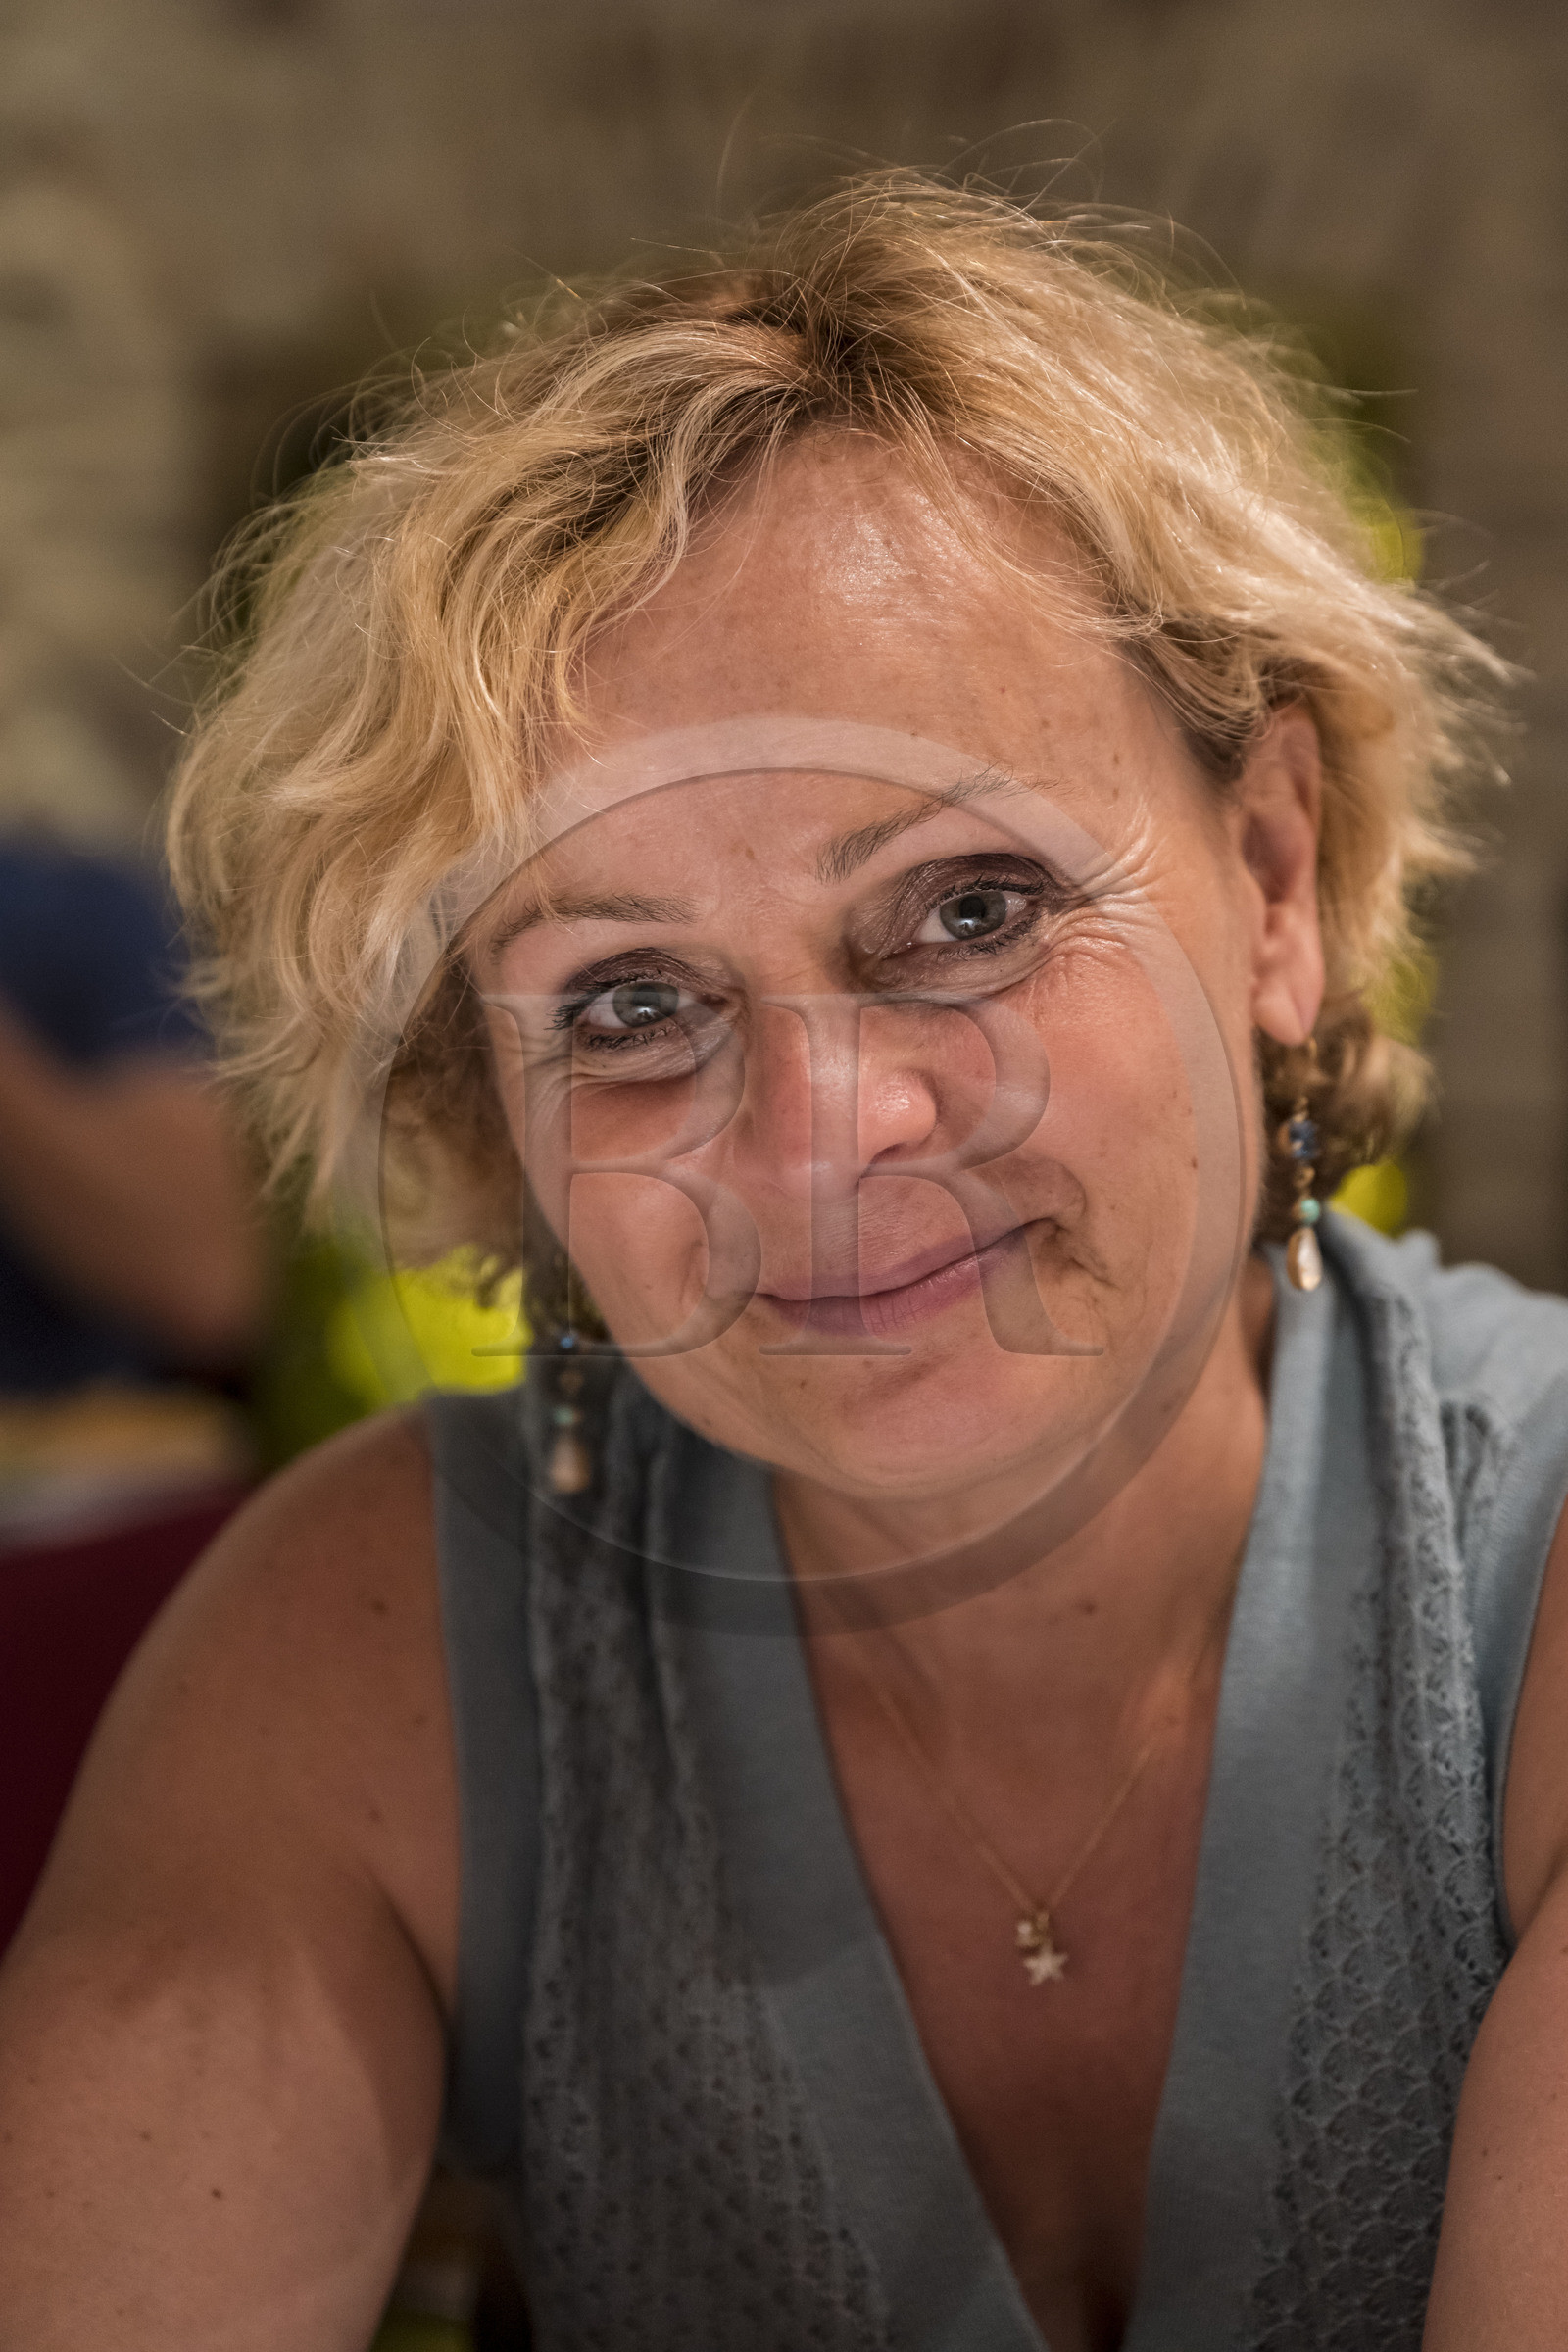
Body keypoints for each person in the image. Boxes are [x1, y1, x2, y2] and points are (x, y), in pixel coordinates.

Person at [0, 173, 1561, 2352]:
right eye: (631, 1004)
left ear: (1274, 877)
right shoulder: (372, 1663)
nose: (828, 1136)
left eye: (964, 908)